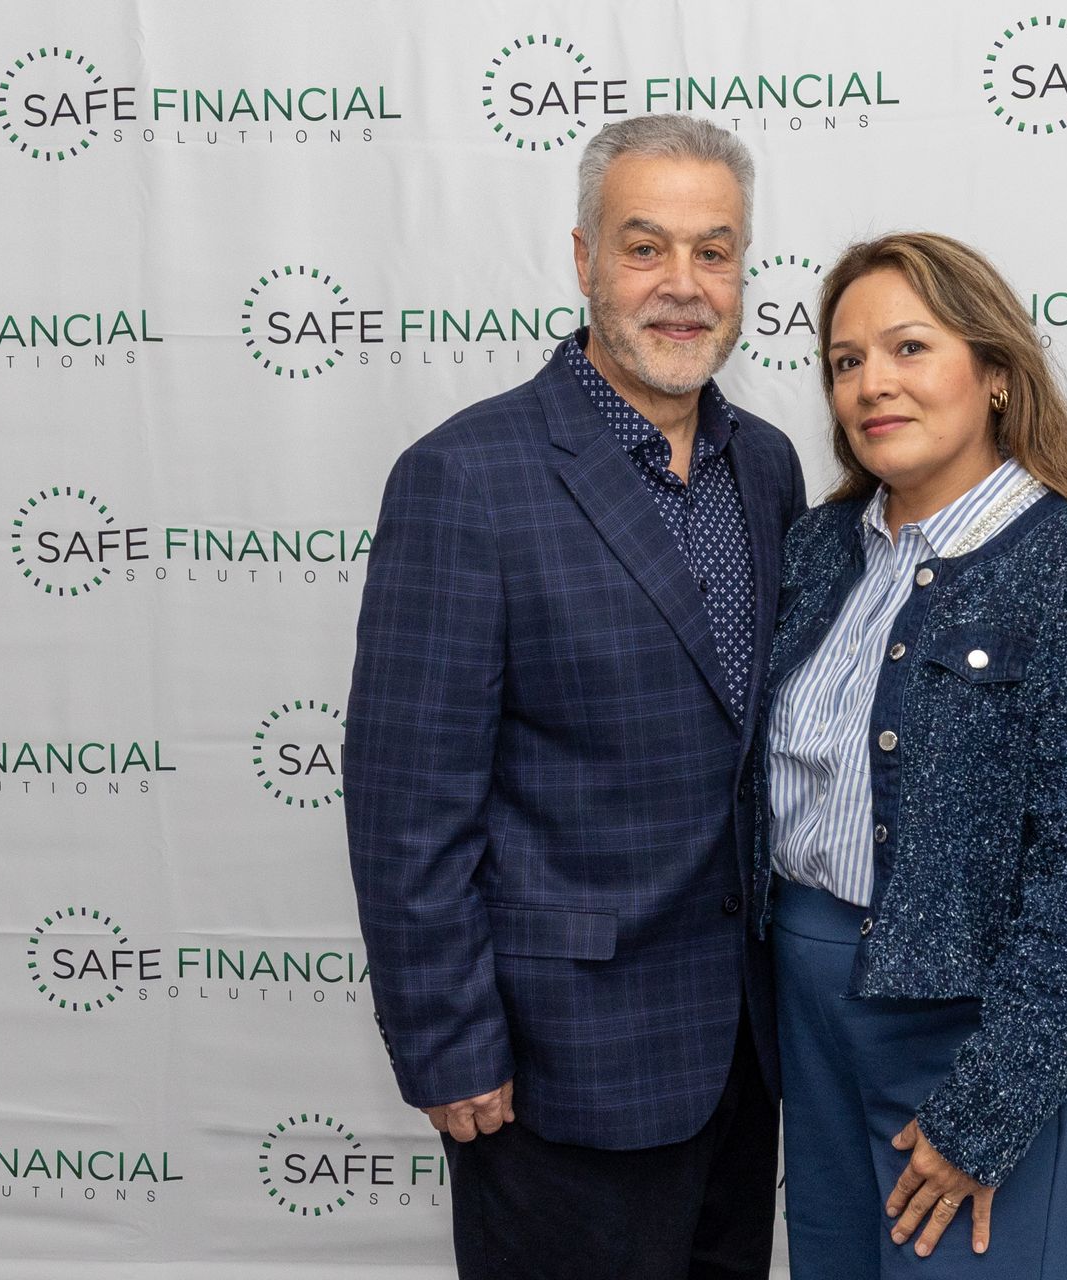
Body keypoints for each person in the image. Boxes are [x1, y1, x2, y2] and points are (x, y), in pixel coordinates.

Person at [343, 113, 805, 1280]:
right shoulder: (466, 478)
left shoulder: (770, 463)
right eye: (646, 248)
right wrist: (449, 1043)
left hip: (746, 1055)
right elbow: (407, 801)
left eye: (716, 251)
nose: (684, 287)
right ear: (584, 258)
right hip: (557, 1067)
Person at [749, 232, 1067, 1278]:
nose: (871, 384)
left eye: (908, 348)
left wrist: (989, 1109)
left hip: (977, 1032)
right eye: (846, 362)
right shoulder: (818, 547)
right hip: (807, 1005)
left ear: (992, 373)